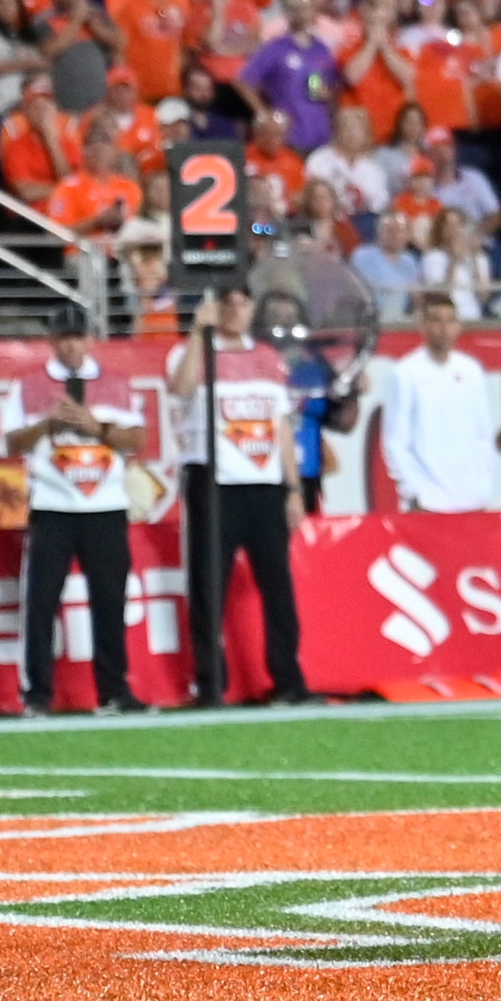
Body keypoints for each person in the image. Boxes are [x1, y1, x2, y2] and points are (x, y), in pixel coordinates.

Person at [11, 305, 158, 712]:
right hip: (53, 505)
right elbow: (8, 443)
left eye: (78, 337)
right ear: (52, 341)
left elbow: (138, 438)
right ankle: (37, 694)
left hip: (106, 506)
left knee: (111, 603)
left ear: (90, 340)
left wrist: (97, 429)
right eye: (65, 337)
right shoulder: (29, 386)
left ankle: (114, 690)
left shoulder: (116, 384)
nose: (72, 345)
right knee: (41, 603)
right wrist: (47, 424)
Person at [172, 280, 310, 706]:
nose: (235, 311)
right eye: (227, 304)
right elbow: (181, 389)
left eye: (242, 303)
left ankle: (288, 679)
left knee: (278, 586)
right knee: (208, 586)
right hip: (214, 481)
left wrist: (292, 487)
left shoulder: (268, 359)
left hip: (264, 483)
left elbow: (281, 425)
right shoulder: (191, 352)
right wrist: (199, 333)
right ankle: (211, 682)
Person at [368, 289, 501, 511]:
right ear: (422, 326)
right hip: (427, 500)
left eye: (450, 321)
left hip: (472, 498)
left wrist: (483, 485)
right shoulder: (406, 373)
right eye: (436, 321)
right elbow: (395, 441)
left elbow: (483, 433)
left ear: (459, 326)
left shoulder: (471, 370)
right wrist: (414, 490)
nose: (444, 329)